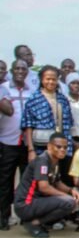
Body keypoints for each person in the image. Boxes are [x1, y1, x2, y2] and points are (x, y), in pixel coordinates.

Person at [14, 133, 79, 238]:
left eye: (65, 147)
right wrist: (65, 196)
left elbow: (57, 182)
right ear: (49, 146)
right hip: (25, 204)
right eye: (58, 147)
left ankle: (41, 222)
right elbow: (44, 187)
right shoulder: (42, 161)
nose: (62, 150)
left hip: (37, 201)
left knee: (71, 198)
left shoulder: (55, 161)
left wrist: (71, 191)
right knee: (69, 202)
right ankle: (34, 223)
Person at [21, 65, 74, 184]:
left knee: (61, 178)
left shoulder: (62, 99)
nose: (51, 82)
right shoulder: (34, 99)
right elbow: (28, 126)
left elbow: (69, 123)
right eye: (48, 79)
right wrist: (31, 150)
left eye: (54, 79)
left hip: (62, 147)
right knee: (43, 179)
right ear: (41, 80)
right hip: (42, 148)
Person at [0, 60, 32, 229]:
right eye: (17, 68)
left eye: (23, 69)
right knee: (5, 181)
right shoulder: (4, 88)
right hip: (7, 141)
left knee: (26, 182)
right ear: (11, 71)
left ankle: (25, 216)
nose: (20, 71)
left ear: (27, 72)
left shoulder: (31, 90)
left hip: (27, 144)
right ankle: (4, 217)